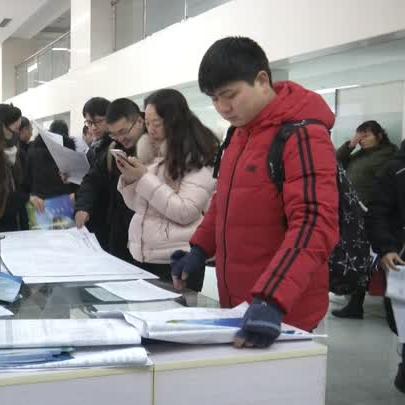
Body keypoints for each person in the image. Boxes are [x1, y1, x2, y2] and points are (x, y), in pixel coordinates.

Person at [170, 36, 339, 348]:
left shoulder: (302, 134)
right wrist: (199, 249)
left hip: (285, 315)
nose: (223, 108)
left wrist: (272, 299)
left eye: (230, 95)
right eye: (214, 99)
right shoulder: (239, 134)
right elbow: (224, 201)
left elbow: (314, 223)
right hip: (239, 306)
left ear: (262, 80)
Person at [117, 89, 218, 291]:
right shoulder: (154, 154)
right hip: (147, 254)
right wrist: (130, 180)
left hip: (179, 258)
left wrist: (144, 179)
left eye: (157, 123)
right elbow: (138, 207)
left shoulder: (196, 157)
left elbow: (185, 211)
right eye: (147, 123)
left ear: (174, 121)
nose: (151, 130)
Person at [332, 120, 398, 319]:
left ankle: (378, 305)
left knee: (371, 259)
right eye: (359, 135)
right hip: (354, 214)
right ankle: (355, 303)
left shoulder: (387, 156)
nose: (362, 140)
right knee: (359, 257)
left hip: (371, 213)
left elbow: (384, 187)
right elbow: (335, 162)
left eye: (366, 135)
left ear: (379, 136)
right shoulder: (359, 154)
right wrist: (350, 145)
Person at [75, 98, 147, 262]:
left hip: (152, 241)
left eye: (123, 131)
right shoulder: (112, 149)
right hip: (119, 233)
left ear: (139, 121)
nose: (120, 138)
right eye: (115, 134)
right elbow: (92, 180)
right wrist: (83, 207)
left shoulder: (160, 149)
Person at [366, 140, 405, 394]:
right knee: (400, 321)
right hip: (400, 257)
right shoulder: (394, 170)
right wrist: (386, 247)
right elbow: (377, 213)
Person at [23, 119, 77, 214]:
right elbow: (75, 181)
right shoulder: (69, 153)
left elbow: (27, 179)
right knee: (64, 223)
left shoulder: (33, 150)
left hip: (39, 202)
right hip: (64, 202)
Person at [0, 104, 27, 232]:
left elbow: (20, 184)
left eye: (18, 129)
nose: (16, 134)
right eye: (14, 128)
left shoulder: (17, 151)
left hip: (13, 217)